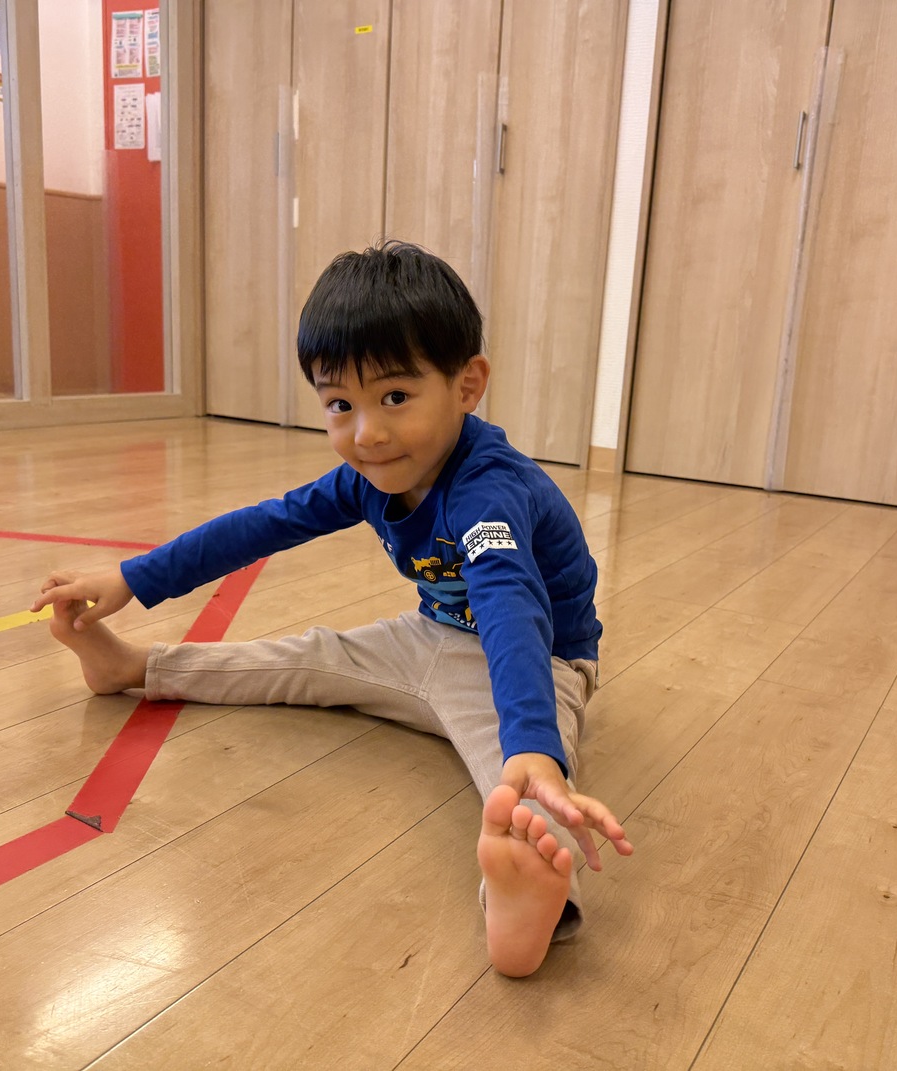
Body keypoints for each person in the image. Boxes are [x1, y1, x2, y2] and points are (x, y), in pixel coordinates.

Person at [32, 241, 632, 977]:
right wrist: (133, 575)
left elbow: (509, 603)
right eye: (341, 405)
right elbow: (261, 525)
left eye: (395, 397)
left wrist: (533, 744)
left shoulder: (490, 493)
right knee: (305, 658)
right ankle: (135, 667)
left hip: (538, 661)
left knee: (520, 777)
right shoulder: (367, 478)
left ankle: (532, 893)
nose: (367, 433)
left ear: (467, 385)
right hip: (429, 636)